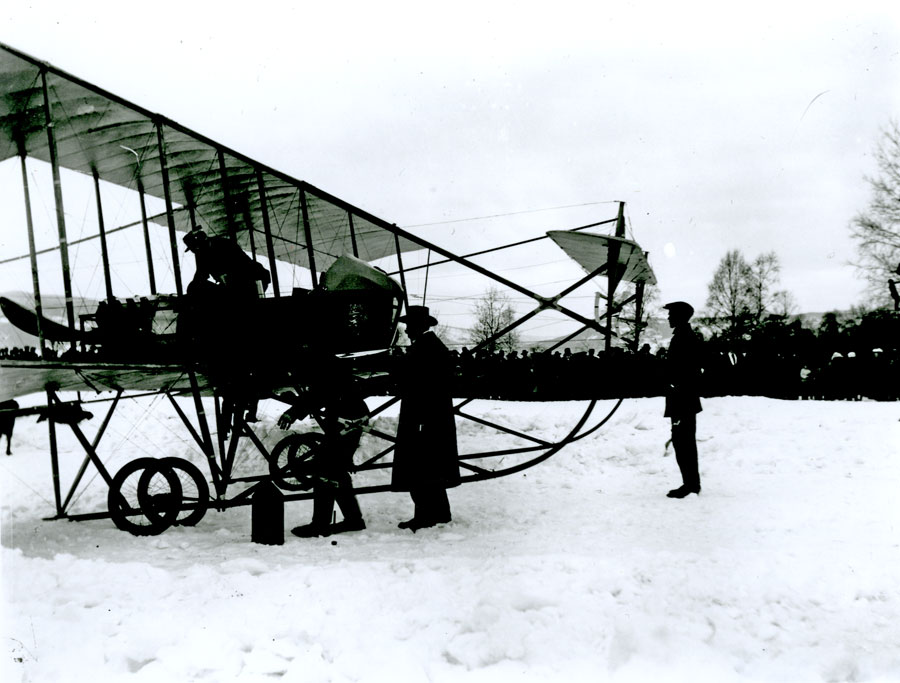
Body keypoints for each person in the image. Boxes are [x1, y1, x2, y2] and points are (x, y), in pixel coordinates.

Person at [391, 306, 460, 531]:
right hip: (431, 418)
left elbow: (425, 386)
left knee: (418, 469)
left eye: (410, 326)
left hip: (423, 418)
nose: (407, 330)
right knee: (432, 469)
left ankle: (425, 516)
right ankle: (440, 514)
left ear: (419, 326)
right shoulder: (430, 346)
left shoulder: (426, 348)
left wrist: (422, 420)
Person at [280, 363, 368, 538]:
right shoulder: (325, 361)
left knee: (325, 470)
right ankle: (353, 519)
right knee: (337, 470)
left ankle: (320, 524)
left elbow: (316, 395)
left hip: (346, 422)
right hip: (350, 419)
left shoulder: (322, 366)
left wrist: (292, 412)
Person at [662, 301, 704, 498]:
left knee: (684, 443)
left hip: (682, 400)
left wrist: (674, 385)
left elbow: (686, 371)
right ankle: (690, 483)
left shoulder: (684, 338)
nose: (668, 317)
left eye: (671, 314)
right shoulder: (683, 336)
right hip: (683, 399)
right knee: (683, 442)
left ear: (679, 316)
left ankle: (691, 485)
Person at [183, 228, 270, 300]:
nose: (194, 251)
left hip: (253, 280)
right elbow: (200, 276)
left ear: (201, 243)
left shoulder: (225, 244)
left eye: (194, 248)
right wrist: (191, 293)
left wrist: (224, 276)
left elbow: (240, 265)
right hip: (234, 286)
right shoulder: (202, 254)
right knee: (195, 287)